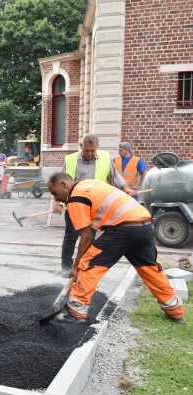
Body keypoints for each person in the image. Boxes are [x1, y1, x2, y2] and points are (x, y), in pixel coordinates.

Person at [47, 172, 186, 324]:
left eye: (55, 193)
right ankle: (175, 311)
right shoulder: (90, 184)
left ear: (63, 185)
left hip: (123, 228)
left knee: (88, 265)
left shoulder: (75, 196)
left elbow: (87, 236)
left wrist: (76, 266)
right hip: (145, 225)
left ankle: (75, 312)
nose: (56, 199)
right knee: (151, 269)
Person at [54, 133, 136, 272]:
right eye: (86, 150)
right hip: (76, 206)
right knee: (71, 236)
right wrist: (59, 203)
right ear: (81, 146)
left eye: (93, 150)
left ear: (97, 147)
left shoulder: (105, 158)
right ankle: (66, 266)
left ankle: (83, 266)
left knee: (89, 237)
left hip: (95, 207)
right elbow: (61, 185)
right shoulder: (71, 160)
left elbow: (115, 177)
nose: (90, 153)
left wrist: (126, 188)